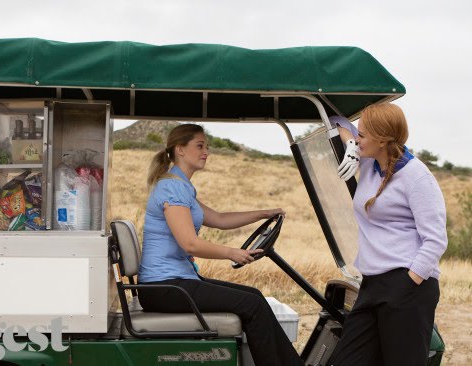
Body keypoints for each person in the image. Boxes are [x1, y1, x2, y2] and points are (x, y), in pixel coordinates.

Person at [137, 123, 303, 366]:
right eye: (200, 146)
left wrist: (264, 213)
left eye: (207, 147)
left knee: (254, 296)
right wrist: (232, 253)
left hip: (175, 282)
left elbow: (220, 219)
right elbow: (190, 244)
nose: (206, 151)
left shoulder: (182, 186)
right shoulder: (172, 187)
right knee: (253, 304)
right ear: (180, 149)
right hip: (164, 287)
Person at [327, 103, 447, 366]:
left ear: (382, 140)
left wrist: (408, 283)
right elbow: (337, 119)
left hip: (407, 286)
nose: (357, 140)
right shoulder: (370, 162)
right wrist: (351, 149)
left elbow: (436, 240)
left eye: (363, 136)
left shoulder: (417, 177)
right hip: (372, 284)